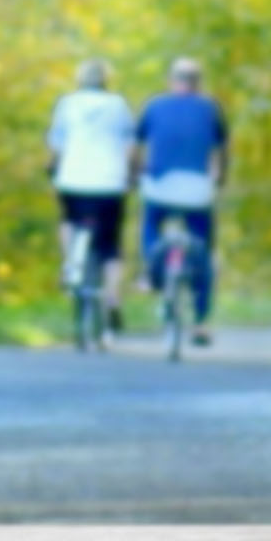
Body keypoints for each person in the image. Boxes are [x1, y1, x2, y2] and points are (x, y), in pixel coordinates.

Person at [134, 56, 229, 346]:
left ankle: (150, 270)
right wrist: (219, 179)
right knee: (203, 250)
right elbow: (221, 151)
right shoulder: (210, 108)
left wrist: (134, 174)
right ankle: (200, 322)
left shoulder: (154, 105)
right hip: (197, 189)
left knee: (151, 224)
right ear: (198, 83)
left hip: (160, 186)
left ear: (171, 80)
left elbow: (136, 146)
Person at [46, 59, 139, 339]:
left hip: (73, 178)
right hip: (110, 181)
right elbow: (130, 144)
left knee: (68, 219)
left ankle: (70, 264)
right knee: (110, 245)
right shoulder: (118, 105)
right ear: (104, 80)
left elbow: (56, 143)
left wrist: (53, 167)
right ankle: (112, 298)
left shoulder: (67, 104)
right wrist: (131, 174)